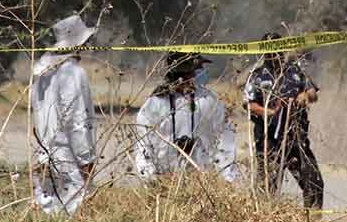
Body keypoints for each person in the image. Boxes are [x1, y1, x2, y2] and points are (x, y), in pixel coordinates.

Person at [244, 32, 324, 210]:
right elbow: (250, 105)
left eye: (279, 50)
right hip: (269, 142)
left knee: (315, 185)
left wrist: (306, 95)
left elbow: (313, 92)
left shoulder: (295, 71)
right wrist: (271, 112)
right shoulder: (256, 76)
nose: (275, 55)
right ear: (264, 52)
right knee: (267, 191)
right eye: (271, 51)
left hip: (297, 140)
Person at [134, 52, 239, 183]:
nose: (197, 76)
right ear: (178, 75)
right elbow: (144, 145)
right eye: (193, 72)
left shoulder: (209, 100)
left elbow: (225, 139)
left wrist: (229, 178)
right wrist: (150, 179)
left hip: (201, 180)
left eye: (198, 71)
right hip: (165, 178)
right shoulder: (155, 104)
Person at [30, 14, 98, 217]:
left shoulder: (43, 74)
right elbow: (77, 120)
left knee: (48, 214)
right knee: (71, 213)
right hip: (68, 160)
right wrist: (86, 161)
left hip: (45, 157)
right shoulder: (73, 73)